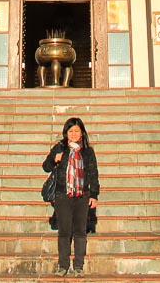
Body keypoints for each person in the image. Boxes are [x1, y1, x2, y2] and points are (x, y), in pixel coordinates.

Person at [43, 116, 100, 277]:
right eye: (71, 131)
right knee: (64, 232)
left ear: (82, 133)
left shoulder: (88, 151)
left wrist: (94, 195)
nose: (74, 134)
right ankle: (63, 265)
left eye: (77, 131)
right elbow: (45, 167)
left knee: (80, 232)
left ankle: (78, 266)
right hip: (63, 194)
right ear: (66, 133)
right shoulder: (60, 148)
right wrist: (55, 159)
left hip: (82, 195)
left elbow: (93, 173)